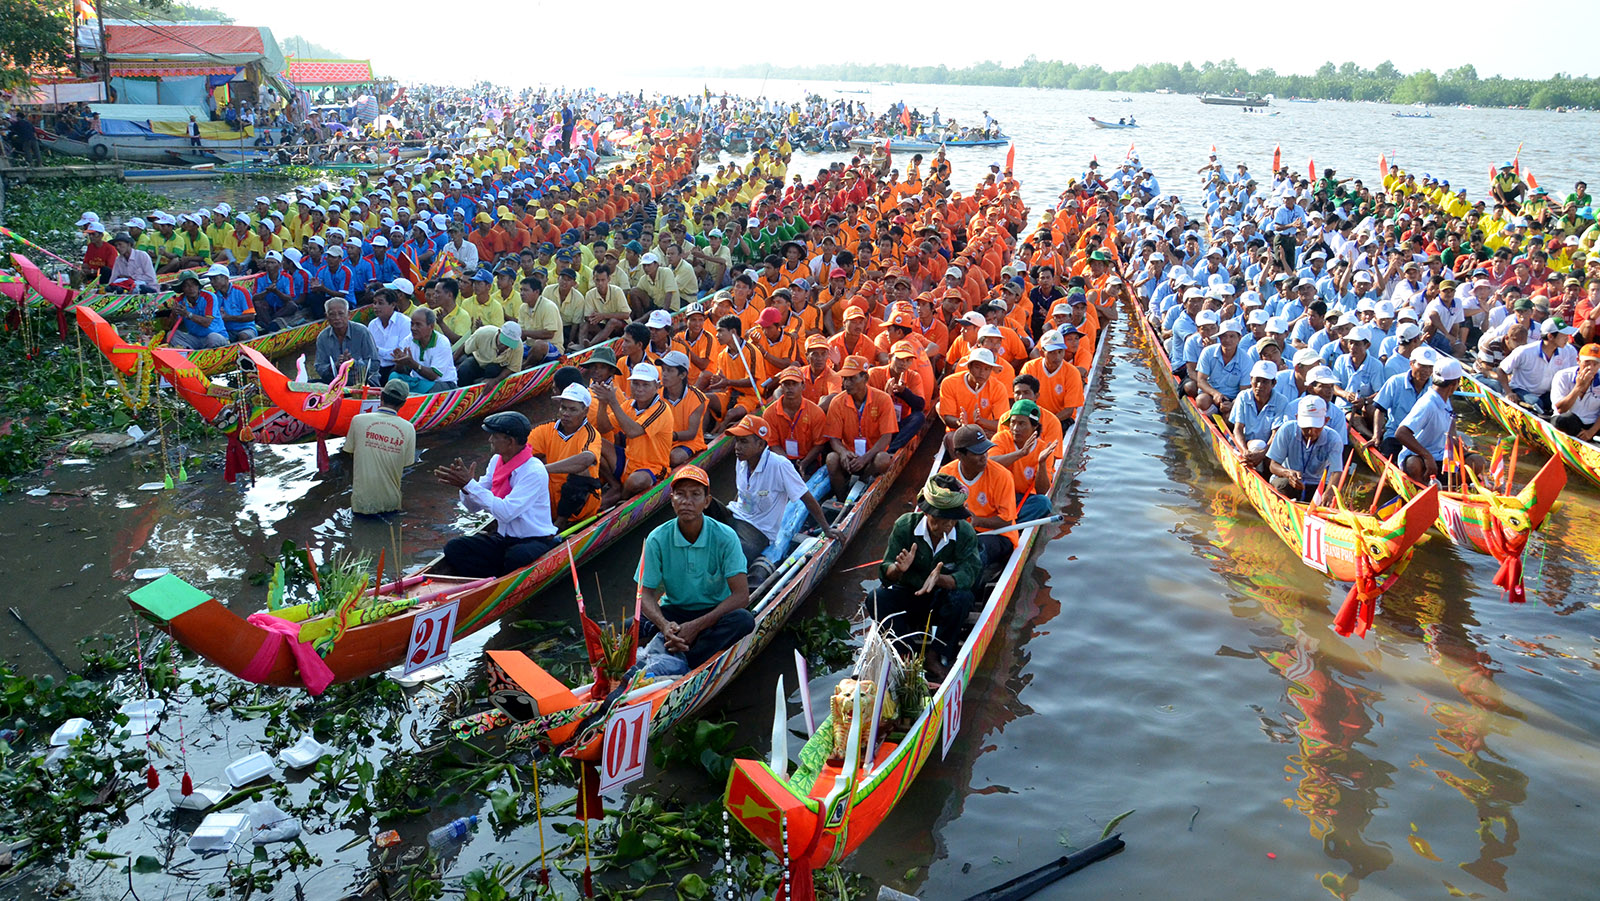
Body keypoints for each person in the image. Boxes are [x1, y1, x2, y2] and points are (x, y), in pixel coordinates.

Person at [636, 464, 753, 677]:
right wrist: (663, 625)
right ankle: (677, 649)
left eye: (695, 495)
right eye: (680, 494)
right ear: (672, 500)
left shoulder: (725, 537)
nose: (686, 501)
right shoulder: (657, 538)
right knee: (626, 627)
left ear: (706, 502)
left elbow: (741, 596)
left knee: (743, 620)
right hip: (674, 612)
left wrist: (696, 626)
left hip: (714, 612)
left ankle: (681, 659)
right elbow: (644, 593)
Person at [869, 473, 984, 679]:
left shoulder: (965, 533)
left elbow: (971, 572)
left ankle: (935, 655)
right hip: (910, 596)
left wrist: (941, 580)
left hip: (942, 600)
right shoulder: (905, 526)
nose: (945, 526)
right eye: (939, 520)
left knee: (963, 598)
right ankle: (908, 655)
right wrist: (898, 569)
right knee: (876, 598)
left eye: (950, 521)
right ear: (926, 513)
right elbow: (885, 575)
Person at [434, 412, 562, 577]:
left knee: (516, 557)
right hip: (504, 539)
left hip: (534, 540)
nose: (490, 440)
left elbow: (506, 512)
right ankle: (489, 581)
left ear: (510, 442)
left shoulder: (534, 471)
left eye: (494, 436)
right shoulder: (496, 461)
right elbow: (473, 507)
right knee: (454, 547)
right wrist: (465, 488)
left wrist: (470, 485)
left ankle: (496, 580)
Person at [722, 415, 839, 586]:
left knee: (731, 554)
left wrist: (827, 529)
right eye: (737, 441)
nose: (737, 447)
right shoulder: (742, 461)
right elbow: (741, 491)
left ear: (760, 444)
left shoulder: (779, 465)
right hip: (737, 516)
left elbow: (806, 498)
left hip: (758, 531)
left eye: (743, 442)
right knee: (707, 508)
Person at [939, 424, 1018, 568]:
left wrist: (977, 521)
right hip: (958, 530)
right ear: (959, 455)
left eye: (986, 451)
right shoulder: (946, 473)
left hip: (997, 533)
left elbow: (1006, 521)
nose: (984, 457)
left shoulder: (1002, 476)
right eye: (977, 453)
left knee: (974, 553)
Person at [594, 361, 673, 505]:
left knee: (635, 481)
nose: (639, 389)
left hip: (652, 467)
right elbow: (604, 428)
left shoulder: (661, 409)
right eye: (636, 384)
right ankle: (615, 485)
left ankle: (623, 498)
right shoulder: (628, 405)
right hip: (629, 460)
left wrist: (613, 402)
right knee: (594, 443)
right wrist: (603, 403)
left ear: (657, 386)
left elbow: (633, 431)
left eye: (645, 385)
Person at [527, 383, 603, 530]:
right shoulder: (546, 430)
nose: (566, 413)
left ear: (585, 411)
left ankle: (561, 522)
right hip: (550, 498)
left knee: (581, 470)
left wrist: (543, 469)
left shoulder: (591, 434)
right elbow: (522, 452)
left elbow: (586, 459)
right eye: (563, 408)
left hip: (579, 505)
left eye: (573, 409)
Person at [1396, 355, 1483, 482]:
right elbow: (1401, 433)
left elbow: (1450, 427)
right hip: (1419, 457)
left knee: (1477, 461)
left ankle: (1450, 488)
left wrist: (1457, 445)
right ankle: (1426, 489)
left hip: (1442, 456)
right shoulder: (1427, 404)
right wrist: (1427, 456)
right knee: (1413, 465)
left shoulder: (1446, 400)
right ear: (1455, 383)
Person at [824, 355, 898, 495]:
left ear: (865, 379)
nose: (846, 383)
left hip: (872, 457)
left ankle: (861, 486)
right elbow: (833, 438)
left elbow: (886, 437)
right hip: (849, 458)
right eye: (845, 378)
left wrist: (865, 458)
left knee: (883, 459)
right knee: (831, 459)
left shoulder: (883, 399)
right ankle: (841, 498)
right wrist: (844, 453)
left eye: (852, 378)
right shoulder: (837, 402)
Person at [345, 379, 416, 517]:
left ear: (381, 396)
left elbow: (350, 453)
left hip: (362, 503)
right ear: (403, 404)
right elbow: (407, 463)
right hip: (392, 503)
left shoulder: (358, 420)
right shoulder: (409, 429)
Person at [990, 399, 1060, 524]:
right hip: (997, 496)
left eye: (1022, 423)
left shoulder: (1043, 450)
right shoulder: (1001, 438)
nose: (1016, 428)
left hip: (1022, 499)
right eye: (1013, 423)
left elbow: (1041, 491)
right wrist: (1020, 454)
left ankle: (1008, 522)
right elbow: (989, 464)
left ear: (1034, 427)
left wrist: (1042, 463)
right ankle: (1007, 522)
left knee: (1043, 503)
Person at [1267, 396, 1344, 502]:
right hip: (1288, 481)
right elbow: (1273, 465)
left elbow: (1336, 471)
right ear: (1297, 418)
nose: (1311, 432)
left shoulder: (1333, 439)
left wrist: (1329, 492)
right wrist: (1288, 473)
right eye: (1306, 427)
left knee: (1332, 496)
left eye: (1316, 427)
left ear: (1326, 421)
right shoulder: (1287, 430)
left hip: (1316, 484)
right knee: (1283, 485)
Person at [313, 298, 382, 385]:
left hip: (364, 382)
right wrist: (334, 366)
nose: (337, 318)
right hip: (335, 384)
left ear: (348, 314)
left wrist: (353, 364)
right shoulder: (322, 337)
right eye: (332, 314)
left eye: (341, 314)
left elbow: (375, 364)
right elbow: (319, 367)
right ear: (326, 316)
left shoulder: (362, 332)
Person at [392, 306, 458, 393]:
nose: (413, 328)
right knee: (394, 377)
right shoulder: (409, 340)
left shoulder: (442, 343)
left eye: (418, 325)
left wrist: (412, 364)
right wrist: (400, 363)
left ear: (431, 326)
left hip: (442, 383)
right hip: (418, 381)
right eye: (412, 324)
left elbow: (433, 376)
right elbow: (401, 371)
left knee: (425, 390)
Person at [1551, 344, 1600, 440]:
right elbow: (1561, 409)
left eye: (1595, 364)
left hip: (1592, 423)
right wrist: (1578, 387)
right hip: (1569, 419)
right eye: (1587, 362)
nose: (1590, 367)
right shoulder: (1563, 376)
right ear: (1578, 361)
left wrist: (1591, 432)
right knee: (1564, 419)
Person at [455, 321, 523, 387]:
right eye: (503, 342)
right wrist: (452, 362)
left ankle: (485, 385)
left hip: (497, 367)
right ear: (499, 332)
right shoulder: (483, 333)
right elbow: (465, 347)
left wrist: (496, 380)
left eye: (508, 345)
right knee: (464, 369)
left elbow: (513, 368)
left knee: (492, 369)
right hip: (479, 360)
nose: (504, 346)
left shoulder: (518, 346)